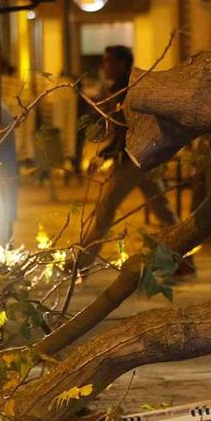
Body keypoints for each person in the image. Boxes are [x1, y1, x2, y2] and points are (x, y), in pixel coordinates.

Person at [76, 45, 192, 273]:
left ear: (121, 65)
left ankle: (80, 266)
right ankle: (183, 262)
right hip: (143, 157)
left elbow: (127, 130)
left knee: (105, 211)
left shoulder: (127, 90)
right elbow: (123, 131)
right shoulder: (124, 87)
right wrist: (104, 153)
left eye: (109, 61)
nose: (104, 66)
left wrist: (105, 154)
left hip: (133, 160)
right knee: (163, 210)